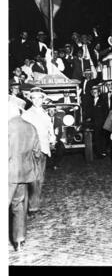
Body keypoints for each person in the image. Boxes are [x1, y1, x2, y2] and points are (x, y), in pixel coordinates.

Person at [8, 103, 41, 251]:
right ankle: (19, 240)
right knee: (18, 206)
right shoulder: (31, 127)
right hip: (23, 173)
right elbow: (37, 152)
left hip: (8, 173)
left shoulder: (6, 126)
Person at [22, 87, 56, 216]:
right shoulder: (27, 114)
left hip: (44, 149)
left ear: (43, 99)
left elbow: (49, 129)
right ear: (31, 99)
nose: (37, 100)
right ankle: (32, 206)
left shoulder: (45, 113)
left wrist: (52, 137)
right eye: (34, 98)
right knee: (33, 178)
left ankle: (34, 204)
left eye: (39, 98)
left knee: (40, 178)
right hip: (32, 149)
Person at [85, 85, 108, 158]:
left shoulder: (103, 101)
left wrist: (105, 122)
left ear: (99, 93)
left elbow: (106, 112)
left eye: (96, 92)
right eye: (93, 92)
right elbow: (88, 112)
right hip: (94, 123)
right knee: (96, 138)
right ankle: (98, 153)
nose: (95, 93)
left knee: (102, 137)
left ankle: (103, 151)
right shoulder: (90, 102)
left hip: (101, 123)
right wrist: (88, 118)